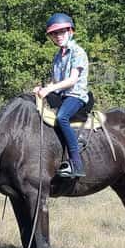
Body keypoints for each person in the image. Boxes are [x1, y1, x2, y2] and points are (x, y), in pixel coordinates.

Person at [34, 12, 89, 178]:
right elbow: (55, 82)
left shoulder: (78, 53)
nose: (58, 37)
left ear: (70, 32)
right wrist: (42, 89)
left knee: (62, 117)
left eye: (62, 32)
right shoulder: (58, 56)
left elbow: (72, 80)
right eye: (54, 34)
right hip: (62, 95)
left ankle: (76, 164)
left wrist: (49, 90)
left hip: (76, 96)